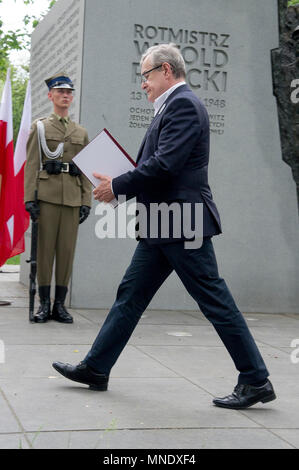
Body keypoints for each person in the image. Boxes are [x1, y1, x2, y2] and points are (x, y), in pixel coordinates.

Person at [53, 44, 276, 409]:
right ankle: (96, 367)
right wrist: (122, 182)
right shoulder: (171, 107)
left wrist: (118, 186)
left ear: (166, 71)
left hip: (181, 222)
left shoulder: (184, 105)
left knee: (214, 300)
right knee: (131, 294)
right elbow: (158, 164)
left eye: (146, 75)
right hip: (163, 223)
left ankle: (255, 380)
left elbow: (166, 165)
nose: (143, 84)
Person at [25, 72, 92, 324]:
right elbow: (32, 163)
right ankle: (43, 304)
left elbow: (85, 168)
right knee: (44, 252)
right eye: (60, 92)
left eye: (69, 92)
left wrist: (86, 201)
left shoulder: (80, 132)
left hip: (73, 198)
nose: (65, 96)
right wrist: (29, 198)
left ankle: (60, 306)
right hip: (47, 196)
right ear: (50, 95)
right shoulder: (40, 127)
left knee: (66, 252)